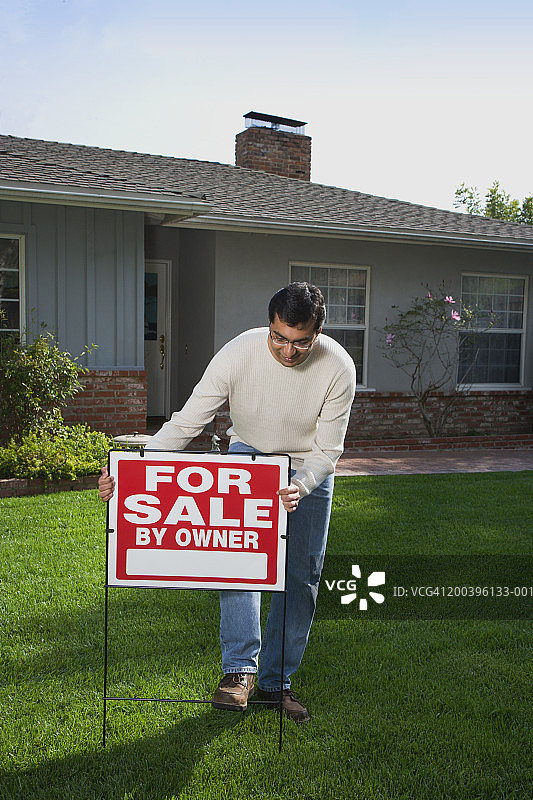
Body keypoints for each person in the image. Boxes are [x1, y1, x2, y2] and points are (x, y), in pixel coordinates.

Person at [98, 282, 356, 723]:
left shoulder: (338, 366)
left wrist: (303, 483)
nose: (288, 351)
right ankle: (239, 673)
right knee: (241, 566)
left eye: (301, 343)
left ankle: (276, 682)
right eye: (279, 338)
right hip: (248, 460)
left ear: (317, 334)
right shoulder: (239, 352)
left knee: (301, 579)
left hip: (306, 471)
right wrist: (130, 474)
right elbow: (187, 421)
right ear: (268, 324)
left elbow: (328, 451)